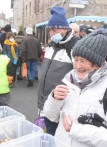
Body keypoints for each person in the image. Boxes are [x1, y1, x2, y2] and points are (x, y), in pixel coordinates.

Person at [38, 6, 80, 136]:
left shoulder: (75, 47)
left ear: (64, 28)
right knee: (47, 137)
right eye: (49, 30)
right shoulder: (51, 46)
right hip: (45, 102)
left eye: (54, 30)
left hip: (62, 105)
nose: (51, 34)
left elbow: (79, 78)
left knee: (58, 140)